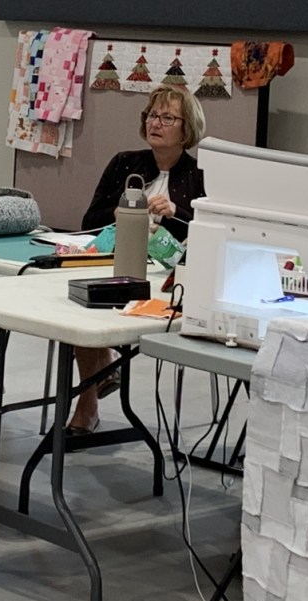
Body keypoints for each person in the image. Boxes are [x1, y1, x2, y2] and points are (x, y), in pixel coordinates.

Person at [68, 86, 207, 434]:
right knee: (77, 305)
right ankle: (94, 386)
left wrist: (176, 213)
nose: (155, 123)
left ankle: (97, 381)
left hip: (167, 279)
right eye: (151, 116)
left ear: (186, 129)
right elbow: (90, 221)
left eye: (167, 118)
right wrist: (128, 210)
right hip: (114, 265)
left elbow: (207, 237)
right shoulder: (124, 164)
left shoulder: (201, 175)